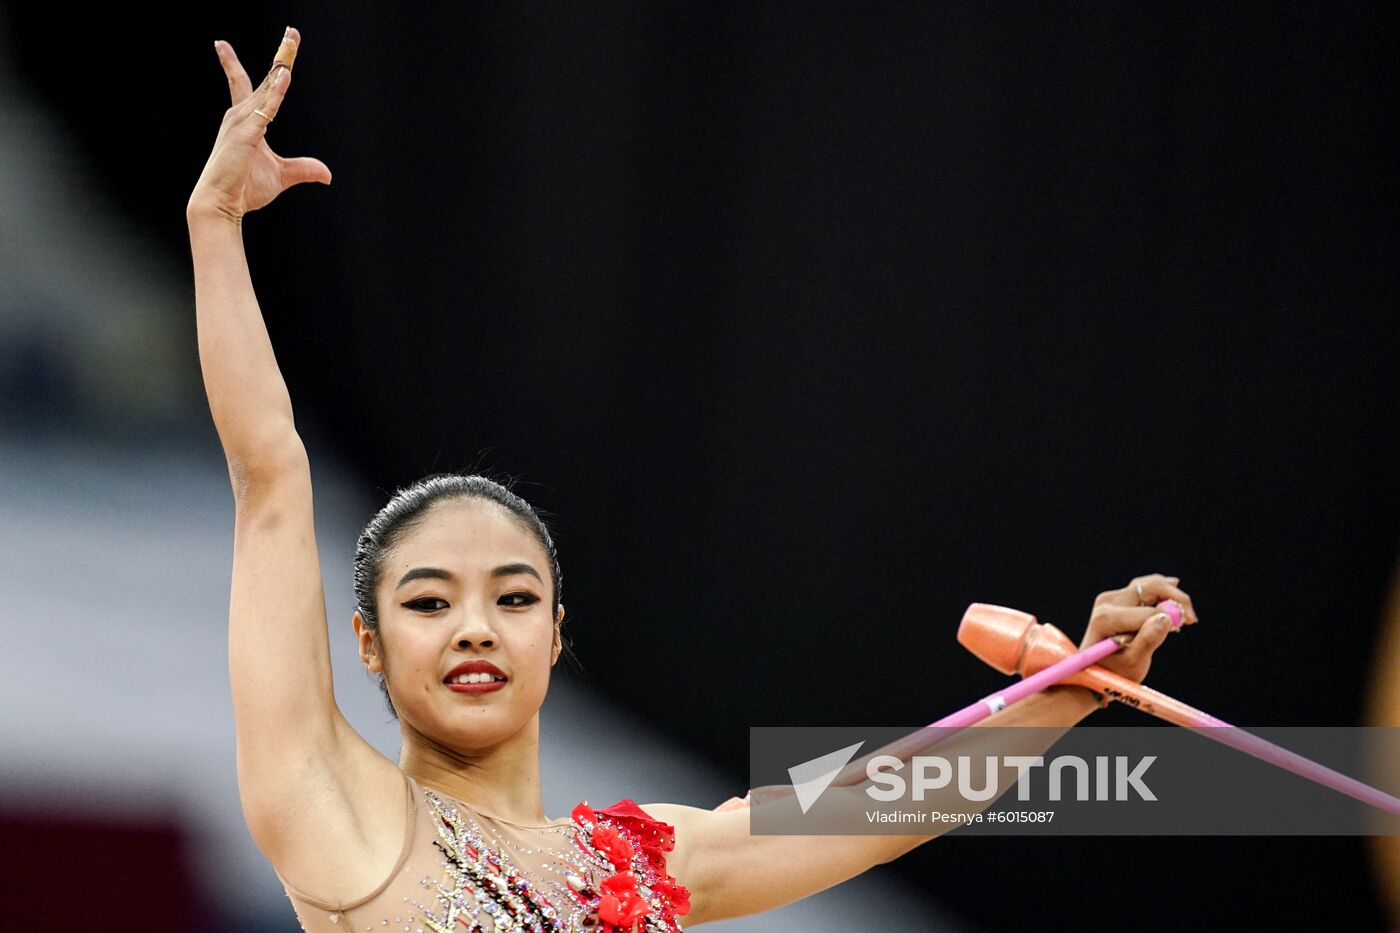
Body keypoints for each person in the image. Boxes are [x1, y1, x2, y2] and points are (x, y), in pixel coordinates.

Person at [187, 27, 1198, 932]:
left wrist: (1066, 694)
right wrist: (218, 225)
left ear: (554, 628)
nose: (475, 627)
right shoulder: (332, 813)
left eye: (512, 596)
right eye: (427, 600)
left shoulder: (636, 861)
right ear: (364, 643)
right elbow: (271, 477)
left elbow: (877, 811)